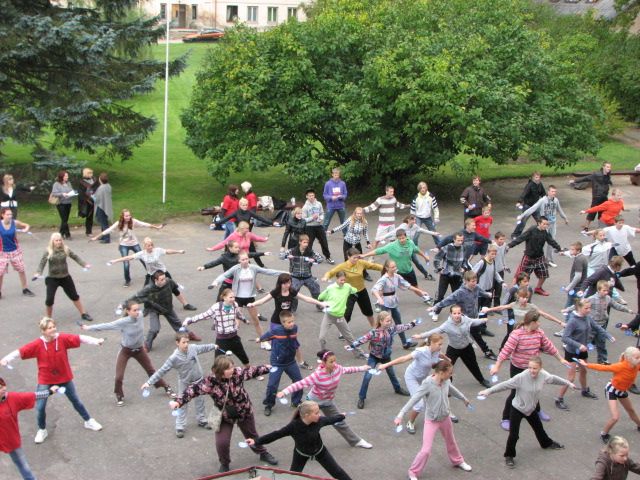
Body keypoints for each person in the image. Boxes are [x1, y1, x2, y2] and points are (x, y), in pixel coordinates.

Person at [0, 317, 104, 444]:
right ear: (43, 331)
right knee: (40, 407)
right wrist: (6, 359)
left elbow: (80, 338)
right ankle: (42, 430)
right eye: (50, 328)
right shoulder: (37, 344)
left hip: (64, 377)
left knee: (76, 401)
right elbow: (20, 351)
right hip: (46, 380)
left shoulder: (62, 338)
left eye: (54, 326)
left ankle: (88, 421)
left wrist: (96, 341)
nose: (53, 329)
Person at [170, 356, 278, 473]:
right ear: (220, 371)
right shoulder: (210, 382)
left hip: (244, 412)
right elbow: (193, 390)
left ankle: (263, 453)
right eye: (228, 368)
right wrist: (178, 402)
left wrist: (267, 368)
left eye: (232, 367)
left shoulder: (237, 373)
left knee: (252, 436)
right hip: (224, 416)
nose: (232, 370)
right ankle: (225, 463)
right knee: (222, 443)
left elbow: (252, 371)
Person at [478, 356, 573, 469]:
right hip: (517, 409)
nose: (532, 370)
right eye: (530, 368)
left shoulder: (543, 375)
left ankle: (546, 443)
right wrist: (488, 391)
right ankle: (509, 456)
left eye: (535, 368)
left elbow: (553, 379)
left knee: (539, 428)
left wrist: (568, 383)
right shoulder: (521, 377)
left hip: (531, 409)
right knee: (514, 435)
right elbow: (504, 385)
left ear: (540, 368)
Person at [486, 310, 569, 430]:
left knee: (534, 390)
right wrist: (497, 366)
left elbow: (549, 346)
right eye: (538, 321)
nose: (540, 323)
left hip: (534, 368)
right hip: (518, 368)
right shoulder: (517, 334)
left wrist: (561, 359)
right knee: (515, 393)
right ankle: (506, 418)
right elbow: (506, 351)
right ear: (532, 322)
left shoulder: (539, 332)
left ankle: (537, 411)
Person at [81, 300, 175, 406]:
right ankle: (119, 394)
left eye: (138, 309)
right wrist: (88, 328)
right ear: (128, 311)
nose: (137, 312)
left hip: (139, 350)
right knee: (119, 376)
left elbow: (147, 303)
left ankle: (166, 387)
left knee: (151, 370)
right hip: (126, 351)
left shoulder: (140, 315)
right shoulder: (123, 322)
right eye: (134, 310)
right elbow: (106, 325)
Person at [278, 349, 373, 449]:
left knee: (339, 421)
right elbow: (300, 384)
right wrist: (284, 392)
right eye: (331, 361)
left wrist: (363, 368)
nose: (334, 364)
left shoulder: (337, 369)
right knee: (304, 424)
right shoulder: (318, 375)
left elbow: (349, 369)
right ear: (323, 362)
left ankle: (356, 441)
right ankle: (299, 441)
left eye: (335, 360)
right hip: (313, 403)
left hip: (328, 402)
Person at [394, 360, 473, 479]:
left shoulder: (446, 381)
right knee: (426, 450)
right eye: (449, 373)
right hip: (431, 420)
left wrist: (464, 399)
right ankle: (413, 472)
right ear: (441, 372)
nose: (451, 375)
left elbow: (452, 389)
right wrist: (400, 414)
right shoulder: (427, 384)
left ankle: (458, 461)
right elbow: (414, 399)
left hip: (445, 418)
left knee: (451, 441)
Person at [245, 400, 354, 480]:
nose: (319, 415)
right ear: (307, 415)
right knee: (292, 477)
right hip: (301, 454)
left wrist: (341, 416)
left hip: (320, 452)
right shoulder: (294, 426)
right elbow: (275, 435)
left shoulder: (319, 421)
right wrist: (256, 441)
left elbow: (330, 419)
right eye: (316, 413)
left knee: (337, 472)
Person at [143, 332, 217, 438]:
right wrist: (149, 382)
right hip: (184, 383)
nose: (186, 344)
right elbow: (161, 371)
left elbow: (204, 348)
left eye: (187, 342)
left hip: (198, 381)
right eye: (183, 342)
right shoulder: (174, 358)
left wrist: (213, 346)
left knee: (200, 402)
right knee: (181, 403)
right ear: (177, 343)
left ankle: (202, 420)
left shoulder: (193, 348)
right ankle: (180, 426)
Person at [248, 273, 326, 369]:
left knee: (294, 343)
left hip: (288, 322)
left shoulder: (292, 291)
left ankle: (301, 362)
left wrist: (320, 303)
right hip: (276, 321)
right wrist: (253, 304)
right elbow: (262, 301)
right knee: (276, 344)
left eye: (289, 283)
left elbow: (306, 299)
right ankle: (275, 363)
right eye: (285, 283)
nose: (287, 285)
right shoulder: (276, 292)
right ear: (280, 283)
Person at [210, 251, 287, 349]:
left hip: (250, 298)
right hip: (237, 298)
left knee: (256, 321)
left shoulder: (253, 268)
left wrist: (284, 273)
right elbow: (224, 275)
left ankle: (263, 341)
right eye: (243, 259)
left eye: (246, 259)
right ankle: (230, 344)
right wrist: (216, 282)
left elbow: (268, 271)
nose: (245, 261)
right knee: (236, 323)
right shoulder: (235, 269)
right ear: (239, 260)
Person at [556, 298, 616, 410]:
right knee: (571, 378)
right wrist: (578, 345)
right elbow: (565, 338)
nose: (589, 310)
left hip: (583, 351)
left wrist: (608, 335)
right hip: (572, 352)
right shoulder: (573, 321)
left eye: (589, 308)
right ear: (579, 308)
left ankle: (584, 390)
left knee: (584, 370)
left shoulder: (587, 317)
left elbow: (597, 327)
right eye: (586, 308)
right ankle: (559, 398)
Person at [378, 333, 444, 433]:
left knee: (434, 395)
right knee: (419, 404)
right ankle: (410, 422)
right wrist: (386, 365)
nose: (441, 346)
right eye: (439, 344)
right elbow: (404, 359)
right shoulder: (421, 351)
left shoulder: (436, 351)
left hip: (423, 378)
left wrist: (447, 360)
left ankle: (434, 416)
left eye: (441, 344)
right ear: (432, 343)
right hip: (411, 377)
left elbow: (438, 358)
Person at [110, 237, 196, 310]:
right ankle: (146, 308)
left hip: (163, 273)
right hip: (151, 275)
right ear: (144, 246)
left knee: (174, 289)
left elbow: (167, 251)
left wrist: (178, 251)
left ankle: (186, 304)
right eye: (148, 245)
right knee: (145, 291)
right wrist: (115, 260)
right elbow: (129, 257)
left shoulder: (157, 250)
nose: (150, 247)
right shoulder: (142, 254)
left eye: (151, 245)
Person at [428, 270, 498, 360]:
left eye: (475, 281)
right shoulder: (460, 292)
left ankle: (483, 350)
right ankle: (485, 351)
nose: (474, 283)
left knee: (475, 335)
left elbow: (481, 292)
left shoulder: (476, 287)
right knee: (460, 337)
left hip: (473, 317)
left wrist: (487, 294)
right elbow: (448, 300)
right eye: (472, 281)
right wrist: (436, 306)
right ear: (466, 281)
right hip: (463, 319)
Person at [0, 377, 61, 480]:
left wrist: (49, 392)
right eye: (0, 387)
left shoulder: (12, 398)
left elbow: (33, 396)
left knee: (23, 466)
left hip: (9, 440)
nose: (4, 389)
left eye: (3, 386)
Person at [350, 311, 414, 409]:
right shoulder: (373, 333)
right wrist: (352, 345)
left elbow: (402, 327)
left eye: (390, 321)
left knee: (392, 374)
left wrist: (412, 324)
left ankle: (397, 389)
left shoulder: (391, 329)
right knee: (367, 377)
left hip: (386, 357)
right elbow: (363, 339)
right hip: (374, 357)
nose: (390, 323)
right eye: (387, 321)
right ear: (381, 321)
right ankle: (361, 397)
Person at [417, 305, 491, 388]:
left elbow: (473, 321)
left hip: (466, 347)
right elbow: (435, 331)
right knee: (446, 367)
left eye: (459, 313)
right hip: (453, 349)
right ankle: (447, 386)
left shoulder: (466, 319)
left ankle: (481, 380)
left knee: (473, 365)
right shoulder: (447, 325)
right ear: (451, 314)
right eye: (454, 313)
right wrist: (421, 335)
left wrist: (482, 320)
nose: (457, 315)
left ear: (461, 313)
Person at [125, 270, 201, 352]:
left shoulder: (168, 281)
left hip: (167, 307)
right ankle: (147, 345)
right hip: (154, 309)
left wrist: (180, 290)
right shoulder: (148, 288)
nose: (164, 281)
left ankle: (189, 335)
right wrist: (123, 305)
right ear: (156, 280)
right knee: (154, 329)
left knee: (177, 324)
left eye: (164, 278)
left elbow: (175, 289)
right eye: (162, 279)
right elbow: (135, 297)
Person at [578, 347, 640, 444]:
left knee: (631, 410)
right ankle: (604, 434)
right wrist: (586, 364)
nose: (639, 359)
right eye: (637, 357)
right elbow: (603, 368)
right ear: (629, 358)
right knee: (615, 417)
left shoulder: (636, 365)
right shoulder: (621, 366)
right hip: (612, 390)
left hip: (621, 391)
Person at [564, 280, 634, 365]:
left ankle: (602, 360)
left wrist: (628, 310)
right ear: (598, 290)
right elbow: (579, 305)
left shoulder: (608, 298)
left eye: (607, 290)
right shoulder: (592, 299)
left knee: (601, 343)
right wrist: (567, 309)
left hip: (602, 324)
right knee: (584, 341)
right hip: (591, 325)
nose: (606, 292)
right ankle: (573, 354)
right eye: (604, 290)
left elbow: (616, 305)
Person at [91, 209, 165, 287]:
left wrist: (157, 227)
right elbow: (108, 230)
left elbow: (145, 224)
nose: (128, 217)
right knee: (126, 263)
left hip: (134, 244)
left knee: (144, 259)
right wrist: (96, 237)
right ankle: (127, 280)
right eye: (126, 216)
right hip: (124, 245)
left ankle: (152, 275)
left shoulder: (133, 221)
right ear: (122, 216)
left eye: (129, 215)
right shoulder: (118, 223)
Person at [371, 259, 431, 349]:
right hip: (385, 303)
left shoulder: (397, 276)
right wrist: (379, 298)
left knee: (399, 323)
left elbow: (408, 285)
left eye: (395, 266)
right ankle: (378, 343)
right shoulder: (384, 279)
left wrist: (421, 291)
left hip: (393, 302)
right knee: (383, 325)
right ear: (387, 268)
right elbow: (374, 289)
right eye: (392, 267)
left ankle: (404, 343)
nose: (395, 268)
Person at [183, 288, 251, 366]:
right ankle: (216, 374)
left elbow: (238, 314)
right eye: (230, 297)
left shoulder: (235, 305)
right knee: (218, 363)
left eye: (234, 297)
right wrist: (190, 320)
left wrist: (245, 320)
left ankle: (250, 371)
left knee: (244, 358)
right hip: (222, 340)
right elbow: (203, 316)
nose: (233, 299)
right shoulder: (217, 307)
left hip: (234, 337)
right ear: (224, 297)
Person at [36, 232, 93, 321]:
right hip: (52, 278)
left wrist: (84, 264)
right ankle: (48, 319)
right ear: (52, 241)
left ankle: (83, 313)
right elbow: (42, 263)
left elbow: (75, 257)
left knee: (74, 296)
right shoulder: (48, 251)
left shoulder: (65, 249)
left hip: (65, 277)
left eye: (60, 240)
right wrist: (38, 272)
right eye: (56, 240)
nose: (58, 242)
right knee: (49, 300)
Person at [322, 248, 383, 327]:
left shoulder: (361, 263)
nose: (356, 259)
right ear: (348, 257)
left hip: (361, 291)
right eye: (354, 258)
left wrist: (386, 268)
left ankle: (374, 327)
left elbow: (374, 266)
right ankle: (343, 331)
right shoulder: (343, 266)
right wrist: (326, 277)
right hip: (349, 293)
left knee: (368, 311)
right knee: (347, 314)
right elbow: (331, 272)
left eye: (357, 257)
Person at [259, 311, 304, 416]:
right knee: (272, 386)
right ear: (283, 323)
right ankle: (269, 404)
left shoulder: (295, 328)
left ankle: (296, 402)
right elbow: (265, 337)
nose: (292, 324)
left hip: (291, 361)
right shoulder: (276, 330)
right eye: (289, 322)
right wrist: (260, 339)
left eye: (292, 321)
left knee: (299, 382)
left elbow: (294, 340)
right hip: (277, 363)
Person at [508, 216, 564, 296]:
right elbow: (521, 238)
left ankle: (538, 288)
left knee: (544, 274)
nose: (545, 226)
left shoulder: (545, 232)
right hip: (529, 256)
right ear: (539, 223)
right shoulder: (531, 230)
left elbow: (551, 241)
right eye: (544, 224)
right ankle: (512, 290)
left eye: (547, 224)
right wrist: (509, 245)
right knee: (520, 275)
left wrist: (559, 248)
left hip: (540, 257)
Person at [360, 228, 432, 287]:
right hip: (397, 272)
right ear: (397, 238)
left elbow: (416, 250)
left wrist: (425, 257)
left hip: (409, 270)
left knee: (415, 286)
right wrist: (364, 255)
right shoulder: (392, 246)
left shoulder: (410, 243)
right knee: (390, 288)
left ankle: (424, 296)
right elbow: (379, 251)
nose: (401, 240)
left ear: (406, 237)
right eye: (399, 239)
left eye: (403, 238)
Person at [317, 271, 365, 357]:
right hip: (329, 316)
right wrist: (327, 299)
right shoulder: (330, 288)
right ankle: (323, 355)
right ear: (337, 278)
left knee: (349, 336)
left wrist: (353, 288)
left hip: (340, 317)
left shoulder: (347, 287)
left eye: (344, 280)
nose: (343, 282)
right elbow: (320, 297)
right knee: (321, 337)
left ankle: (360, 353)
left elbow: (355, 290)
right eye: (341, 280)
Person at [518, 185, 568, 267]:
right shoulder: (542, 200)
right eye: (552, 191)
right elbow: (533, 208)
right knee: (539, 241)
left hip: (552, 224)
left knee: (551, 241)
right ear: (548, 192)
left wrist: (565, 218)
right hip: (544, 225)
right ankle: (531, 255)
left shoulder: (556, 200)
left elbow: (559, 209)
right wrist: (522, 215)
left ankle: (549, 260)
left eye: (555, 191)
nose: (554, 193)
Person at [198, 240, 267, 298]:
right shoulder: (224, 257)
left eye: (238, 247)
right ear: (230, 248)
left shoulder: (240, 254)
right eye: (236, 247)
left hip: (239, 283)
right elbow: (214, 263)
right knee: (221, 300)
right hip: (227, 283)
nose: (238, 249)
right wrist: (204, 267)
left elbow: (251, 254)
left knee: (240, 300)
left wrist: (263, 253)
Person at [380, 215, 439, 280]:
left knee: (417, 262)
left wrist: (433, 233)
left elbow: (422, 230)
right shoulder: (403, 226)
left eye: (415, 220)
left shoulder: (415, 226)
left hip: (410, 247)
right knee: (397, 263)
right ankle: (389, 275)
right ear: (408, 220)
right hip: (401, 248)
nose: (414, 221)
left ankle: (426, 275)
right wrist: (384, 237)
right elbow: (393, 232)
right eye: (413, 220)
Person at [0, 207, 35, 299]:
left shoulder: (14, 222)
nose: (10, 216)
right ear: (2, 215)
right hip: (3, 252)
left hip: (15, 250)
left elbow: (26, 225)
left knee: (21, 269)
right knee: (0, 273)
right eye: (8, 214)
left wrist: (26, 229)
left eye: (11, 214)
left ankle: (25, 289)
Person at [281, 234, 324, 307]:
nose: (306, 244)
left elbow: (321, 258)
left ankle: (321, 306)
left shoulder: (310, 252)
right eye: (304, 242)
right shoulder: (292, 251)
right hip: (295, 277)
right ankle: (292, 309)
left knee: (316, 289)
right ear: (300, 242)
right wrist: (287, 256)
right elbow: (281, 255)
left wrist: (314, 260)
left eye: (307, 242)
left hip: (308, 276)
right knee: (292, 292)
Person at [363, 185, 408, 250]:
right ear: (386, 192)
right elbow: (372, 207)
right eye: (390, 192)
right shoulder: (380, 200)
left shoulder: (393, 199)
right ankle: (372, 255)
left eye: (393, 192)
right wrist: (362, 210)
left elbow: (399, 205)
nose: (392, 193)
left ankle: (393, 254)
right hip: (383, 225)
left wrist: (407, 206)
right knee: (377, 240)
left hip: (392, 224)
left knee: (393, 240)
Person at [571, 161, 613, 231]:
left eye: (610, 167)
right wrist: (575, 180)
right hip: (597, 196)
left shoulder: (608, 175)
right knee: (593, 211)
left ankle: (600, 227)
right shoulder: (596, 175)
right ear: (603, 167)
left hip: (604, 196)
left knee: (602, 212)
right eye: (607, 167)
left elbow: (606, 183)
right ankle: (586, 226)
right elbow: (586, 178)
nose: (609, 168)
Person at [302, 188, 334, 263]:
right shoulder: (305, 207)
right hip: (309, 227)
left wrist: (320, 218)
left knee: (324, 241)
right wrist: (312, 218)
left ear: (314, 196)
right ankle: (307, 257)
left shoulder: (319, 204)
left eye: (312, 195)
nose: (311, 197)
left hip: (319, 226)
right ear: (307, 196)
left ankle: (328, 257)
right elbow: (303, 220)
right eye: (310, 196)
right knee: (309, 243)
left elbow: (322, 213)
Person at [433, 232, 466, 303]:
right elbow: (437, 258)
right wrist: (438, 269)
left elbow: (464, 261)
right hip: (446, 274)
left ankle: (458, 309)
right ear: (454, 240)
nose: (460, 242)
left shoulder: (463, 248)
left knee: (458, 296)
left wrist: (463, 268)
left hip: (457, 275)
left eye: (461, 240)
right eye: (458, 240)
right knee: (440, 296)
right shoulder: (447, 247)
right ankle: (435, 308)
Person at [511, 171, 546, 240]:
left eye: (539, 177)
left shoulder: (540, 184)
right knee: (523, 221)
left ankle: (543, 234)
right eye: (536, 177)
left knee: (540, 220)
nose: (538, 179)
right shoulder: (529, 185)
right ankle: (515, 234)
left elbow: (543, 193)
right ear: (533, 178)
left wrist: (546, 199)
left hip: (536, 206)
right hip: (528, 206)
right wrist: (519, 202)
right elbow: (524, 193)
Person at [410, 181, 441, 246]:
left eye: (424, 187)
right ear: (419, 189)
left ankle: (440, 245)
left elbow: (435, 208)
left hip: (428, 217)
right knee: (416, 232)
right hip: (418, 217)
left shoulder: (431, 196)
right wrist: (412, 219)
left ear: (426, 188)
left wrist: (436, 217)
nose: (423, 189)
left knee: (433, 232)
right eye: (421, 188)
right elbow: (412, 210)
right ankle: (415, 247)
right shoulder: (416, 197)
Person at [322, 167, 348, 234]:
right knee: (326, 222)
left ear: (339, 175)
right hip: (330, 206)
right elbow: (324, 195)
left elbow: (345, 194)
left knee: (344, 222)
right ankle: (322, 235)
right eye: (335, 174)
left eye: (337, 174)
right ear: (332, 174)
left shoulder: (342, 183)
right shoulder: (328, 183)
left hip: (341, 206)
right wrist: (331, 197)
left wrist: (341, 196)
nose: (336, 175)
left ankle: (346, 235)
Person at [50, 170, 74, 239]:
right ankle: (66, 234)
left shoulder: (68, 183)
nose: (67, 177)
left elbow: (71, 190)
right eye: (66, 176)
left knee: (65, 220)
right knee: (64, 220)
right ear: (62, 176)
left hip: (68, 203)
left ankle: (62, 234)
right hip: (61, 203)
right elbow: (54, 193)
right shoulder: (56, 184)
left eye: (67, 176)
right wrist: (62, 194)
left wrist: (72, 193)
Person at [92, 172, 112, 244]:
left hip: (101, 207)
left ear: (100, 179)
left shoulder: (101, 188)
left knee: (104, 223)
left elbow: (97, 199)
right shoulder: (108, 186)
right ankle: (103, 235)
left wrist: (92, 196)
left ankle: (107, 238)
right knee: (104, 222)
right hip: (106, 206)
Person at [77, 168, 97, 237]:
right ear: (86, 174)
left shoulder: (94, 180)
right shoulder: (81, 182)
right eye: (90, 173)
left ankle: (89, 231)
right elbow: (80, 193)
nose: (91, 174)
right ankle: (88, 231)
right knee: (88, 216)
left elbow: (97, 188)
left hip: (94, 200)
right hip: (86, 202)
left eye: (92, 173)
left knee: (91, 216)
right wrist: (87, 199)